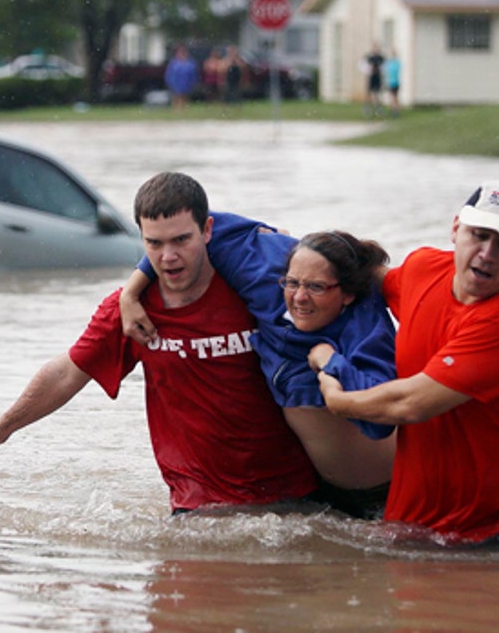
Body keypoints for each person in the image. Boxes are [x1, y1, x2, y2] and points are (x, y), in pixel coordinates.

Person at [0, 172, 317, 513]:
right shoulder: (130, 311)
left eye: (181, 240)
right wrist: (0, 429)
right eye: (155, 243)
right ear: (142, 240)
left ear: (208, 230)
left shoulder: (260, 290)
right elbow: (67, 372)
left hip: (296, 496)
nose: (168, 256)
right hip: (198, 506)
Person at [311, 180, 499, 551]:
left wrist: (337, 395)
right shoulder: (423, 270)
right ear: (456, 229)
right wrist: (287, 249)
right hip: (413, 525)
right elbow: (362, 274)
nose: (487, 253)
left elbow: (410, 404)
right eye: (479, 235)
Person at [120, 213, 398, 519]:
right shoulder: (269, 276)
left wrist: (329, 361)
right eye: (293, 283)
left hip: (381, 493)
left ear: (347, 294)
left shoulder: (366, 328)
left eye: (316, 288)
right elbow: (200, 225)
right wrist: (131, 290)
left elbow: (380, 420)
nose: (300, 298)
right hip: (317, 488)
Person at [164, 45, 198, 111]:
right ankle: (176, 109)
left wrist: (193, 82)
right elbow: (169, 73)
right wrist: (169, 82)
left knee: (184, 96)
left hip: (186, 82)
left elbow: (193, 74)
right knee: (176, 96)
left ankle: (183, 109)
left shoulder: (190, 63)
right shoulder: (174, 63)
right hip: (176, 82)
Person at [365, 44, 385, 116]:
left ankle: (378, 109)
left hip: (378, 77)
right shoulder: (370, 58)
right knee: (369, 93)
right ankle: (368, 109)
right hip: (372, 77)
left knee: (377, 94)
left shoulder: (381, 58)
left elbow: (384, 67)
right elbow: (365, 67)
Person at [384, 49, 401, 116]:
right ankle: (393, 109)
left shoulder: (396, 63)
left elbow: (395, 71)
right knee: (392, 97)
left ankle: (396, 110)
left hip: (395, 82)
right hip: (390, 82)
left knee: (395, 97)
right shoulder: (390, 63)